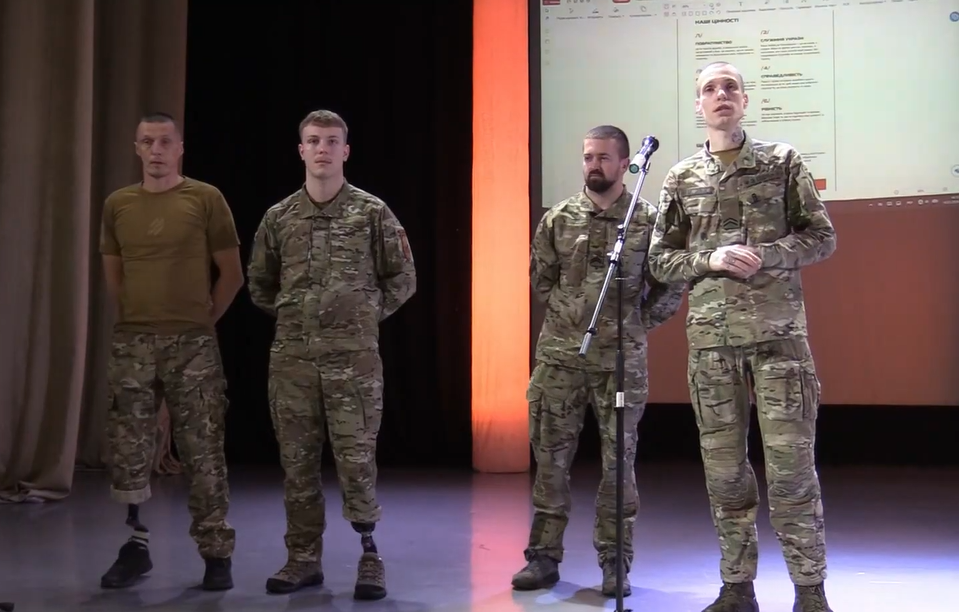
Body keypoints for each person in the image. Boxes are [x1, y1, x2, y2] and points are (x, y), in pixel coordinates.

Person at [648, 61, 838, 612]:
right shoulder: (681, 177)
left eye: (730, 86)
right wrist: (709, 259)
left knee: (792, 472)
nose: (721, 94)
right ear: (699, 106)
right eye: (710, 89)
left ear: (745, 100)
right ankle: (737, 587)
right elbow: (660, 260)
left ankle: (810, 591)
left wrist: (767, 255)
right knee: (725, 473)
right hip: (713, 347)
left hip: (779, 341)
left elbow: (822, 236)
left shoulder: (782, 161)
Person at [247, 109, 416, 601]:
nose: (323, 148)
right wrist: (299, 317)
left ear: (346, 151)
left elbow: (403, 277)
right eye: (314, 140)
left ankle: (369, 556)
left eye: (332, 141)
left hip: (353, 364)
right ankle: (303, 558)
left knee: (357, 461)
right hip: (293, 363)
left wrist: (362, 313)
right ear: (301, 150)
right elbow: (260, 283)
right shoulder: (279, 217)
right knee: (297, 464)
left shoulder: (371, 213)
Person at [511, 126, 685, 597]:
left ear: (626, 163)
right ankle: (543, 557)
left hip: (620, 364)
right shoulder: (559, 218)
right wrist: (570, 318)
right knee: (550, 461)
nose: (594, 164)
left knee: (618, 466)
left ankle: (614, 562)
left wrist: (635, 323)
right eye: (588, 156)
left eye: (604, 157)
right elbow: (541, 279)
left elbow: (670, 285)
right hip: (559, 359)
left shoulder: (647, 221)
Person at [98, 112, 244, 591]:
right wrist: (138, 320)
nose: (156, 150)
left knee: (203, 449)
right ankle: (135, 545)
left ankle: (216, 552)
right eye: (147, 142)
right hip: (134, 344)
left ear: (180, 148)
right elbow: (115, 274)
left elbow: (232, 273)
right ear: (136, 149)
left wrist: (201, 322)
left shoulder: (205, 199)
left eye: (164, 142)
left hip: (192, 345)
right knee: (129, 448)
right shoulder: (118, 204)